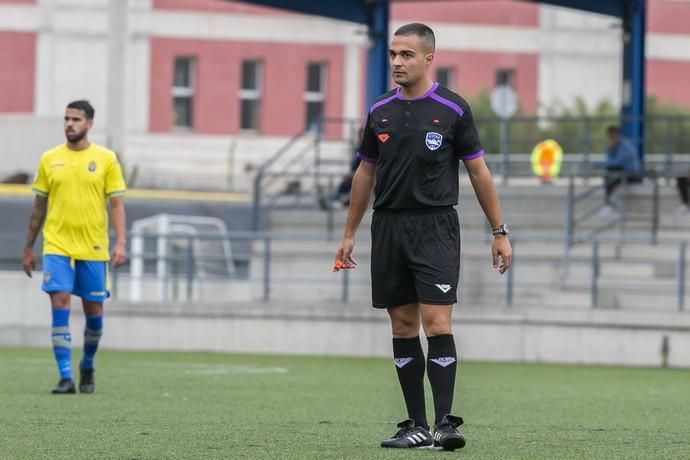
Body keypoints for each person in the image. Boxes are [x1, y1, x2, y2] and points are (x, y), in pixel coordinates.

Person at [332, 23, 511, 451]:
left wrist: (499, 232)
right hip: (388, 227)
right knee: (403, 325)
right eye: (394, 54)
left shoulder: (453, 109)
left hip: (435, 227)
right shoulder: (379, 111)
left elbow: (479, 172)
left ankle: (445, 423)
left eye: (406, 54)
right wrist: (349, 233)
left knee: (438, 322)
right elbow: (365, 172)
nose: (396, 61)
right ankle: (415, 424)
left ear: (429, 58)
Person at [22, 100, 127, 394]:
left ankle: (88, 364)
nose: (70, 124)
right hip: (56, 245)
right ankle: (65, 376)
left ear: (89, 123)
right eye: (66, 118)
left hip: (93, 247)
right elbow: (38, 206)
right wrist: (29, 248)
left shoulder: (106, 159)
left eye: (76, 119)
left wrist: (121, 242)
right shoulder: (49, 158)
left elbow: (116, 204)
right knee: (60, 302)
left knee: (94, 314)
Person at [598, 125, 642, 215]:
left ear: (618, 135)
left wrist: (600, 164)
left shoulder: (625, 146)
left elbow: (617, 162)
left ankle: (609, 204)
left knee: (610, 176)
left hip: (632, 174)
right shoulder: (614, 145)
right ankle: (609, 203)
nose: (611, 138)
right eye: (610, 136)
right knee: (610, 175)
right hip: (621, 172)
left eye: (613, 136)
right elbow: (610, 160)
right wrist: (610, 149)